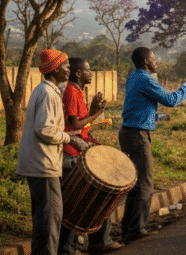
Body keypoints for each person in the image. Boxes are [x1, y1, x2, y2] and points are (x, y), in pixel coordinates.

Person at [17, 49, 89, 255]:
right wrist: (71, 139)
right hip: (43, 164)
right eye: (66, 66)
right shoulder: (49, 94)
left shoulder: (45, 90)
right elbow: (45, 129)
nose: (69, 70)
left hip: (39, 163)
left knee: (44, 216)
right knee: (51, 217)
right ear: (56, 69)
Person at [120, 47, 186, 242]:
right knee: (145, 183)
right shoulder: (146, 79)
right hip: (137, 134)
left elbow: (140, 105)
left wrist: (156, 117)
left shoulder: (133, 77)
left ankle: (128, 227)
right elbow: (170, 100)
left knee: (135, 184)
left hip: (129, 132)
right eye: (153, 58)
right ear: (145, 61)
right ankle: (136, 228)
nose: (156, 61)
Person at [58, 58, 121, 255]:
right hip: (72, 153)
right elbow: (76, 126)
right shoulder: (71, 92)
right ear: (78, 74)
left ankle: (97, 241)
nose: (91, 73)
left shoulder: (78, 92)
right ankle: (83, 245)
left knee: (91, 199)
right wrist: (98, 114)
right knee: (79, 202)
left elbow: (80, 124)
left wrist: (92, 112)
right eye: (88, 69)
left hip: (80, 151)